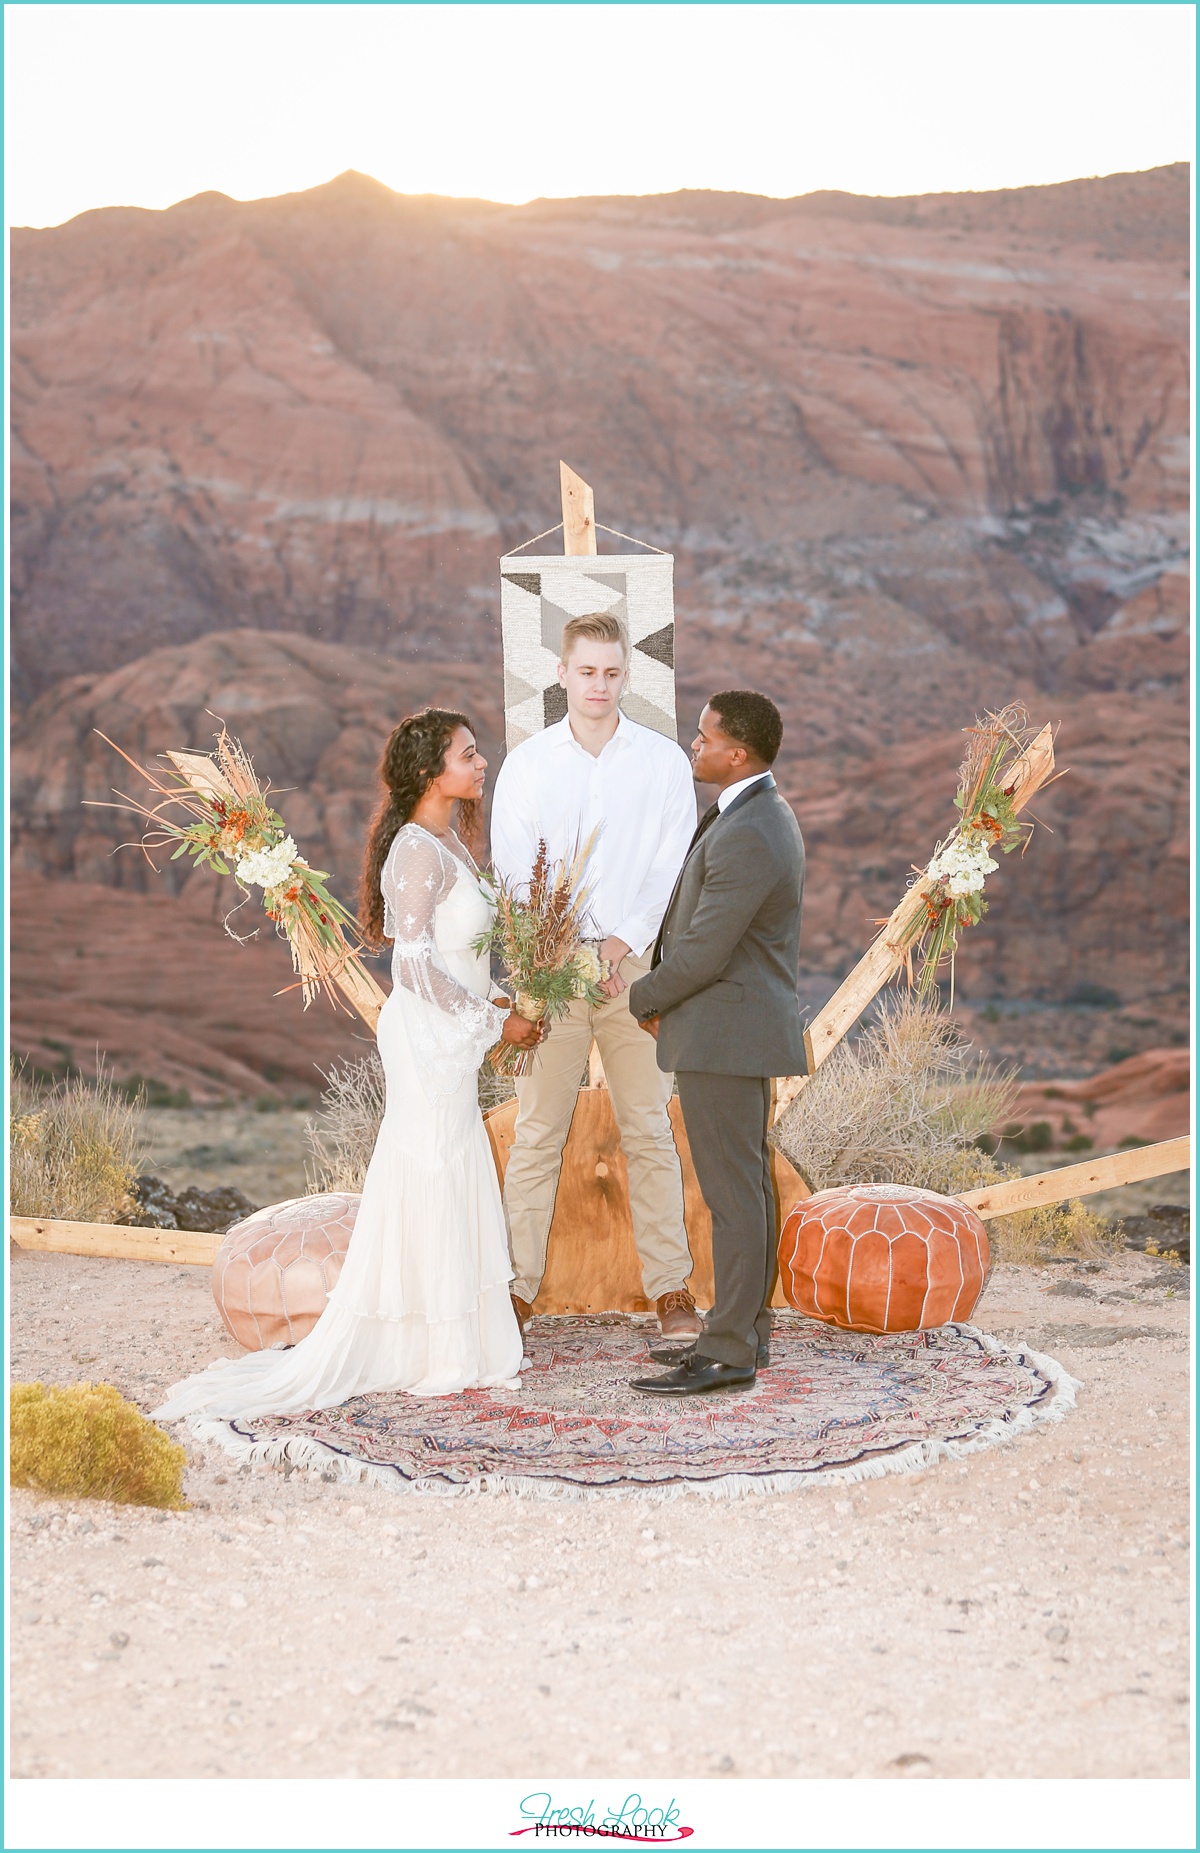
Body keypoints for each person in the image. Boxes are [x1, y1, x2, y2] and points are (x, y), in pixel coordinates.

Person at [153, 709, 543, 1422]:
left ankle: (453, 1338)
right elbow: (415, 969)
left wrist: (500, 997)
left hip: (451, 1034)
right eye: (468, 753)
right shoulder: (417, 852)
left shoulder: (449, 839)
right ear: (432, 772)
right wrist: (495, 1021)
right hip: (429, 1037)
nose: (481, 762)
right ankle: (431, 1347)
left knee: (448, 1163)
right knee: (432, 1166)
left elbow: (458, 957)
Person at [490, 611, 703, 1346]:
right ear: (561, 673)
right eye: (587, 671)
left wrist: (621, 942)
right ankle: (515, 1291)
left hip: (634, 967)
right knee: (539, 1131)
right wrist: (558, 951)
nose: (600, 685)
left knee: (647, 1126)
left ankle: (670, 1287)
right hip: (547, 966)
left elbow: (673, 860)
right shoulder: (528, 764)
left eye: (613, 672)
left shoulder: (663, 762)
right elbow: (514, 867)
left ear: (626, 675)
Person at [626, 690, 806, 1396]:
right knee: (747, 1189)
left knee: (735, 1196)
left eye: (703, 738)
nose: (692, 746)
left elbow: (704, 949)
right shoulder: (753, 814)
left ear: (737, 753)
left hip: (726, 1033)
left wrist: (642, 997)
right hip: (730, 1029)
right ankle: (742, 1334)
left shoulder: (753, 830)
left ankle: (730, 1349)